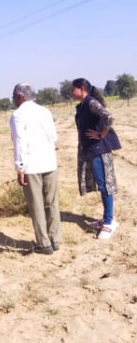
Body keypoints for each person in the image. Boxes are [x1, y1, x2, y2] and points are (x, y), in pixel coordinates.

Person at [10, 83, 61, 254]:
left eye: (14, 96)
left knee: (37, 205)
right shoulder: (45, 112)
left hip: (31, 166)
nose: (12, 99)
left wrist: (20, 168)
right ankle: (55, 239)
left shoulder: (17, 116)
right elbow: (54, 136)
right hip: (49, 162)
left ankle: (44, 243)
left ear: (21, 96)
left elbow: (19, 143)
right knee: (52, 203)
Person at [71, 78, 121, 240]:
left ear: (81, 88)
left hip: (100, 150)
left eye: (73, 89)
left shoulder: (90, 103)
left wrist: (101, 134)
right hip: (92, 150)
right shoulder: (83, 105)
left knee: (105, 185)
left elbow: (109, 117)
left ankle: (109, 222)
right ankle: (107, 218)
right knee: (102, 184)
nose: (71, 93)